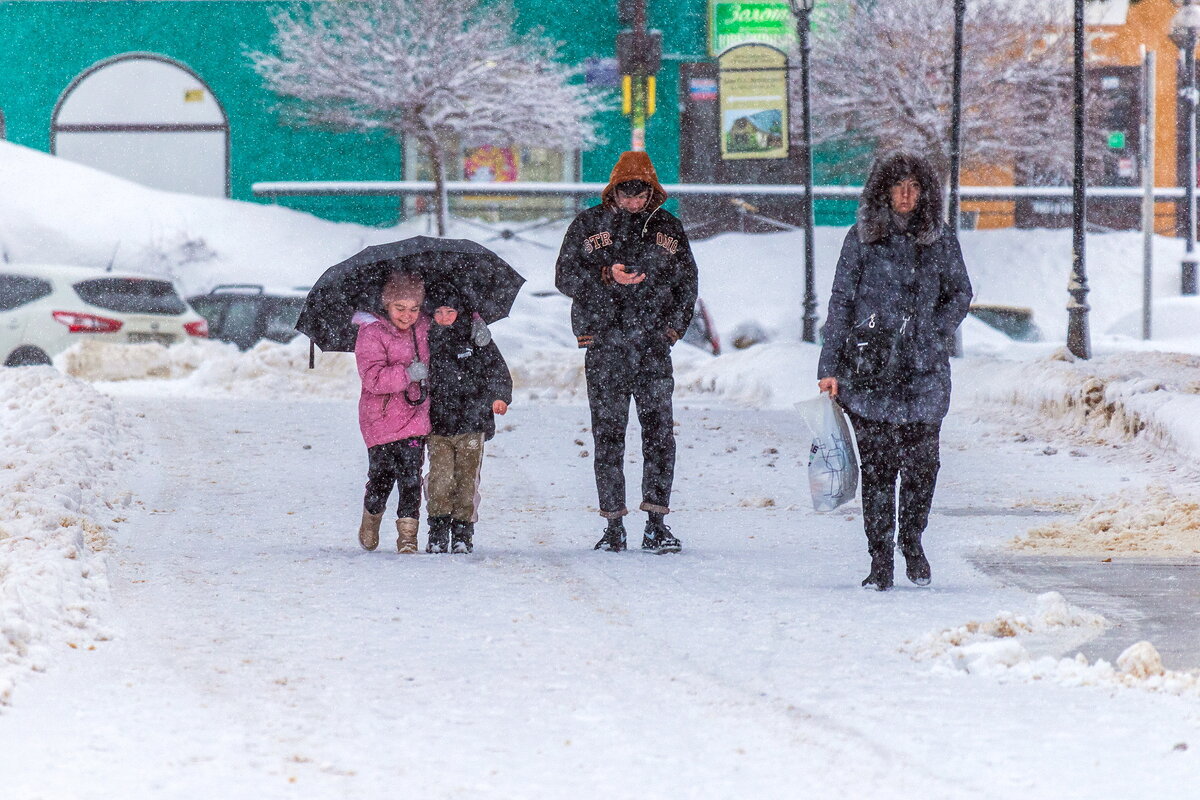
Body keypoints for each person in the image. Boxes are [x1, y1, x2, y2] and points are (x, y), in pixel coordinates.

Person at [817, 151, 973, 591]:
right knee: (879, 470)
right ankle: (880, 555)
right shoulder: (861, 239)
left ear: (925, 194)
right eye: (897, 186)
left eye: (914, 187)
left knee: (924, 467)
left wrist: (933, 331)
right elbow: (841, 302)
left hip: (923, 372)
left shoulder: (940, 240)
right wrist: (829, 366)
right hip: (869, 372)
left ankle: (913, 539)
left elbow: (961, 292)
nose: (905, 196)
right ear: (882, 191)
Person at [554, 151, 699, 554]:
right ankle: (613, 525)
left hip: (652, 347)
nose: (633, 201)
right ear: (613, 190)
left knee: (659, 435)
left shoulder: (669, 228)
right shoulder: (588, 225)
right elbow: (563, 276)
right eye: (626, 192)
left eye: (641, 194)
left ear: (653, 193)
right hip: (604, 345)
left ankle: (656, 522)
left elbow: (688, 284)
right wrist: (605, 274)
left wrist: (671, 331)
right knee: (608, 436)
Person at [423, 286, 513, 554]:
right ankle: (437, 530)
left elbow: (497, 369)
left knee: (467, 480)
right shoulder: (425, 339)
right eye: (438, 312)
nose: (444, 317)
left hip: (472, 422)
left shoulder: (477, 338)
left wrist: (499, 396)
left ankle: (463, 531)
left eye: (449, 311)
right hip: (437, 423)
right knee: (440, 478)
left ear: (459, 312)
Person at [354, 271, 432, 554]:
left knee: (411, 476)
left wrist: (474, 322)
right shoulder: (372, 332)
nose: (407, 315)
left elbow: (453, 322)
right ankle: (371, 518)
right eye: (400, 308)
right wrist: (408, 373)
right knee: (382, 477)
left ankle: (408, 536)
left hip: (415, 416)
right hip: (381, 419)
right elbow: (372, 379)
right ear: (387, 305)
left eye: (413, 308)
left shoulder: (424, 327)